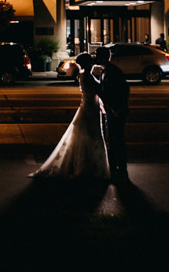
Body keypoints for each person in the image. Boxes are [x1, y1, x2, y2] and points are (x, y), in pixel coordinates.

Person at [30, 53, 109, 181]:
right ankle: (89, 168)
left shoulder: (83, 75)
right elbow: (99, 91)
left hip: (89, 108)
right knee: (91, 137)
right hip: (90, 109)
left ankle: (87, 166)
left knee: (87, 137)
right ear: (89, 64)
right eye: (91, 61)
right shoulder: (88, 76)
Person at [94, 46, 130, 183]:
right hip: (110, 110)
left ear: (103, 57)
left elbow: (123, 90)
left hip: (116, 111)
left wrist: (118, 108)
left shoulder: (113, 72)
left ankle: (121, 170)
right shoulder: (105, 71)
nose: (95, 58)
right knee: (113, 141)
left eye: (97, 55)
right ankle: (116, 169)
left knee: (117, 141)